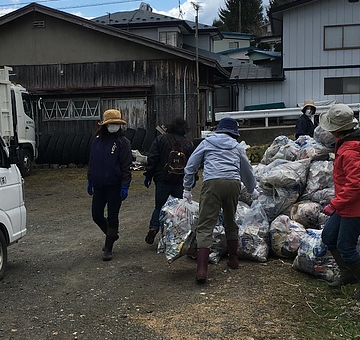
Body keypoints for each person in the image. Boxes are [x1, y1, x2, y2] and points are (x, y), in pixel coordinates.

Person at [182, 117, 257, 284]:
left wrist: (187, 188)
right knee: (230, 220)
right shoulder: (237, 147)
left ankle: (202, 270)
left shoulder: (207, 143)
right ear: (233, 133)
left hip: (212, 183)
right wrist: (252, 189)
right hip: (233, 184)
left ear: (219, 130)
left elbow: (191, 165)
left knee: (206, 225)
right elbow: (247, 171)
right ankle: (233, 259)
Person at [318, 103, 360, 298]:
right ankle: (347, 273)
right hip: (347, 203)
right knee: (329, 236)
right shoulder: (344, 144)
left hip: (357, 206)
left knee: (346, 246)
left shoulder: (351, 151)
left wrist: (334, 204)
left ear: (337, 130)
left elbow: (354, 186)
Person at [87, 109, 132, 261]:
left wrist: (125, 185)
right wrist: (90, 179)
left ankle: (108, 247)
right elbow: (92, 161)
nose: (113, 126)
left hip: (115, 185)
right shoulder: (97, 141)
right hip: (99, 184)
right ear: (105, 125)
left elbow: (126, 166)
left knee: (113, 215)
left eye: (116, 124)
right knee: (96, 214)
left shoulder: (123, 143)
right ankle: (112, 234)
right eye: (111, 123)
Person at [143, 117, 194, 245]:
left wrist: (148, 175)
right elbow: (193, 164)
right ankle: (174, 235)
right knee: (178, 210)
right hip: (180, 181)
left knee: (159, 206)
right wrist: (193, 180)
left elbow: (152, 158)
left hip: (162, 179)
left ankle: (154, 227)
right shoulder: (188, 144)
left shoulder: (161, 139)